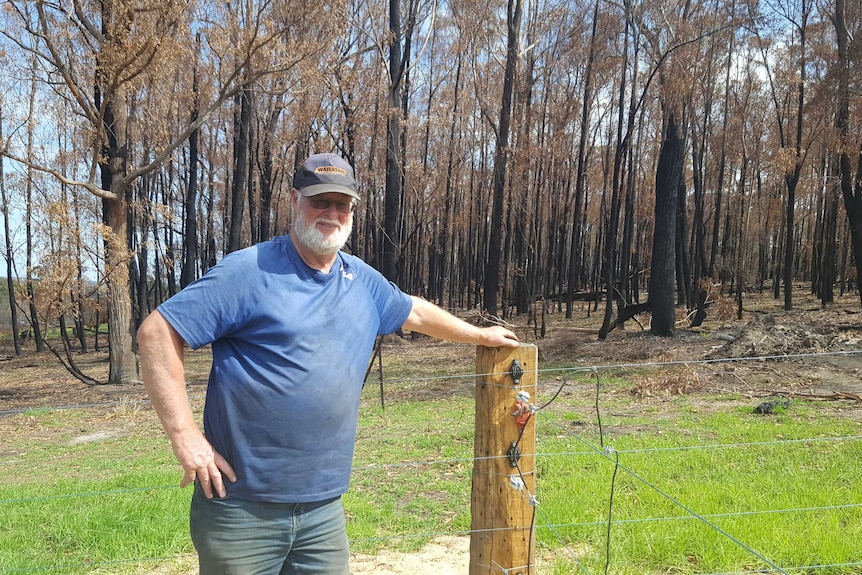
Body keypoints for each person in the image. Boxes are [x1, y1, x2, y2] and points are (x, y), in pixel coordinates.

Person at [138, 152, 520, 575]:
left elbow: (414, 312)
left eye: (342, 204)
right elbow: (156, 333)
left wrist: (480, 335)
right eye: (320, 201)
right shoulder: (249, 271)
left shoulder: (361, 280)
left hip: (323, 510)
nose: (331, 213)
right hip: (242, 508)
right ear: (295, 200)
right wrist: (184, 435)